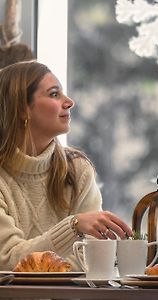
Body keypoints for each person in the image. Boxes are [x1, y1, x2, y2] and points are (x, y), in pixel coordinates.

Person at [0, 60, 132, 271]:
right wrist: (73, 227)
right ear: (23, 109)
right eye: (54, 94)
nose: (69, 101)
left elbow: (93, 259)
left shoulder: (78, 170)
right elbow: (7, 259)